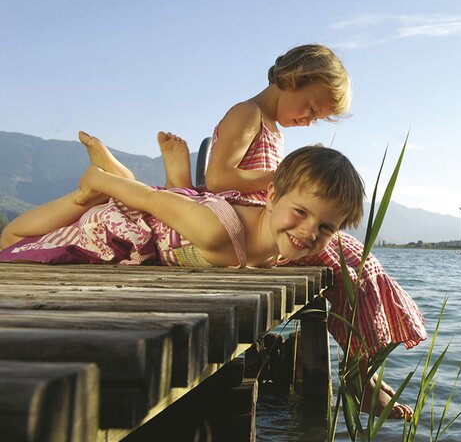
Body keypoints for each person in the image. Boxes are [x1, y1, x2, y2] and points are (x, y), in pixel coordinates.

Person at [157, 44, 427, 419]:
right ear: (293, 78)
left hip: (271, 226)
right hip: (252, 225)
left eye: (318, 118)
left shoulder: (272, 127)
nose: (309, 120)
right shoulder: (248, 113)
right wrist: (293, 180)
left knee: (358, 263)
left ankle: (362, 367)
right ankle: (358, 375)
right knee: (351, 263)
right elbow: (218, 179)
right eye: (311, 108)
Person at [0, 133, 363, 270]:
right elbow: (147, 199)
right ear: (270, 196)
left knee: (163, 198)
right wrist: (100, 185)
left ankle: (123, 177)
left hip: (173, 218)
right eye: (300, 212)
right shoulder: (217, 233)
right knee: (11, 239)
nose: (309, 231)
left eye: (326, 226)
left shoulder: (280, 248)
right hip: (124, 225)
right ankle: (101, 181)